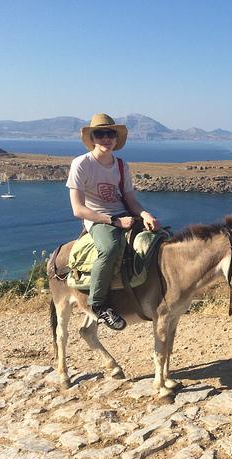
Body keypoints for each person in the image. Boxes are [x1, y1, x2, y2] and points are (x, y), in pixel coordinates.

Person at [66, 113, 161, 330]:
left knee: (161, 239)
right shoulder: (81, 164)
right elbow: (78, 209)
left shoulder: (120, 165)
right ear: (92, 138)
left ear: (116, 139)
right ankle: (98, 304)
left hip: (124, 214)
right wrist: (114, 222)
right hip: (98, 219)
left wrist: (145, 215)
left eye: (110, 133)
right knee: (109, 249)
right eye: (100, 134)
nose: (106, 138)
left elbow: (130, 200)